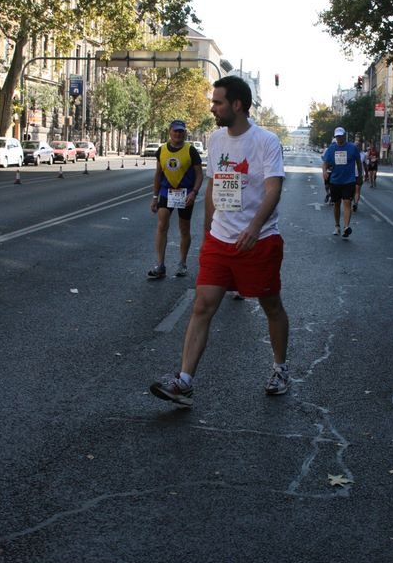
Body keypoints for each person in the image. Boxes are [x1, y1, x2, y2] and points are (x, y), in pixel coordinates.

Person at [150, 76, 289, 407]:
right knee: (202, 306)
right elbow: (213, 186)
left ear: (237, 105)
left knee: (271, 305)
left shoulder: (266, 141)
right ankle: (184, 382)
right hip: (220, 241)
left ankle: (280, 368)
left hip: (259, 241)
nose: (212, 108)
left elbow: (274, 188)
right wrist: (208, 231)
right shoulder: (214, 140)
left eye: (217, 102)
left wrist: (254, 228)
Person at [147, 119, 203, 279]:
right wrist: (155, 197)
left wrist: (194, 192)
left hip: (185, 194)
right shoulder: (162, 150)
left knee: (184, 228)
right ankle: (160, 264)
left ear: (184, 133)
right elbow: (158, 174)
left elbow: (199, 174)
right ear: (170, 132)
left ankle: (182, 263)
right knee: (162, 225)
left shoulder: (191, 151)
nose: (178, 134)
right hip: (166, 193)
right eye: (175, 131)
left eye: (181, 131)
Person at [322, 126, 362, 239]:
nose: (339, 138)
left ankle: (346, 227)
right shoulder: (331, 149)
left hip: (349, 180)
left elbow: (358, 162)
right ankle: (337, 225)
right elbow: (325, 162)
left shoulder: (352, 148)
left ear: (345, 136)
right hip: (335, 180)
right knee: (336, 204)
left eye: (341, 136)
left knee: (347, 202)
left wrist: (360, 175)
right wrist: (324, 172)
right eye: (337, 136)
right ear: (335, 137)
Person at [353, 140, 367, 211]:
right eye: (355, 145)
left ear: (360, 146)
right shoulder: (350, 153)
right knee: (352, 190)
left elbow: (365, 164)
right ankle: (353, 201)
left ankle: (355, 203)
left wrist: (365, 174)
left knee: (357, 189)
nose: (357, 146)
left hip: (359, 175)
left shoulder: (363, 154)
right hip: (350, 175)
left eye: (358, 145)